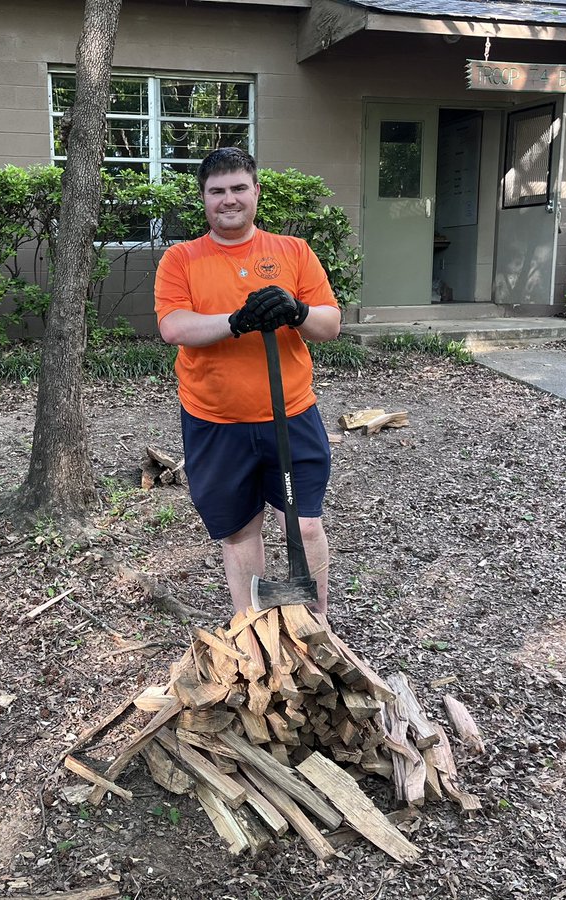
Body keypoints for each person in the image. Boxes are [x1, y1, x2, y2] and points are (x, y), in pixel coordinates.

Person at [154, 147, 342, 615]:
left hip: (290, 416)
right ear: (203, 199)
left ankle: (319, 625)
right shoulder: (181, 259)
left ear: (256, 191)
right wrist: (236, 321)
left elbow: (330, 324)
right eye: (217, 191)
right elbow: (174, 327)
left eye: (239, 188)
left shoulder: (293, 252)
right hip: (216, 423)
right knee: (240, 532)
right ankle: (251, 629)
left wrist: (297, 313)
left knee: (306, 524)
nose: (229, 199)